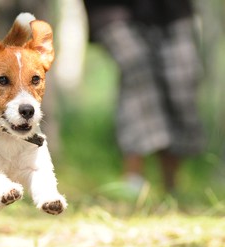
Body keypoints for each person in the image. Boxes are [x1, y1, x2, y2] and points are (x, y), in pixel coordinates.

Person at [83, 0, 205, 192]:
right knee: (138, 72)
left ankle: (171, 185)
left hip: (171, 11)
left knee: (179, 83)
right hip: (111, 9)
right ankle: (134, 179)